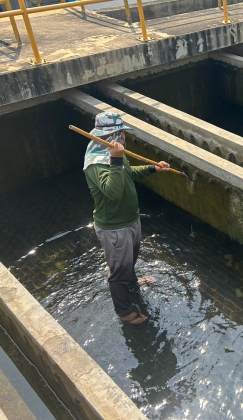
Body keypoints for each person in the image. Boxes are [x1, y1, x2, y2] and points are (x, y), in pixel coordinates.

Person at [83, 112, 170, 325]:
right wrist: (116, 159)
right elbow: (113, 192)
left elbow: (128, 173)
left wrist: (152, 168)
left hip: (131, 219)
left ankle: (132, 283)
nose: (124, 137)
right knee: (118, 272)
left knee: (129, 259)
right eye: (122, 133)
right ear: (113, 135)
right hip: (114, 227)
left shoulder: (115, 155)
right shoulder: (97, 163)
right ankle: (124, 312)